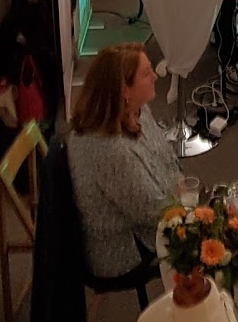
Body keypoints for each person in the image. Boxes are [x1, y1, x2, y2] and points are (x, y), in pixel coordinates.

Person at [66, 44, 180, 281]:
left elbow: (166, 158)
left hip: (152, 214)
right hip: (123, 251)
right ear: (124, 90)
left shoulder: (136, 110)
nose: (155, 76)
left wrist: (180, 187)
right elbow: (153, 211)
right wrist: (190, 204)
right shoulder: (110, 150)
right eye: (146, 73)